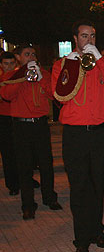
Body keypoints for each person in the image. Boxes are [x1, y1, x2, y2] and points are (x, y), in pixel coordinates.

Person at [52, 20, 104, 252]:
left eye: (92, 36)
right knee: (79, 187)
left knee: (98, 185)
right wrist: (73, 65)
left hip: (100, 132)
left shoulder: (103, 62)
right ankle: (81, 240)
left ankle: (97, 232)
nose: (89, 40)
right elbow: (59, 95)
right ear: (75, 39)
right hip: (75, 134)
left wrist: (100, 59)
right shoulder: (62, 65)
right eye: (84, 36)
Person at [1, 45, 62, 219]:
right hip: (21, 126)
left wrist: (41, 77)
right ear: (18, 57)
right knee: (24, 166)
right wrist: (22, 77)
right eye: (27, 54)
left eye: (33, 54)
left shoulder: (43, 73)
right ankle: (28, 204)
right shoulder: (12, 75)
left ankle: (49, 197)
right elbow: (7, 95)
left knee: (46, 163)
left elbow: (53, 95)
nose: (31, 57)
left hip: (40, 124)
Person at [0, 51, 19, 195]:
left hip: (18, 117)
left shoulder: (19, 77)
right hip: (4, 119)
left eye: (12, 63)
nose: (9, 67)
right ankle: (12, 184)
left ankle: (25, 179)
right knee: (8, 154)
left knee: (22, 152)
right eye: (6, 64)